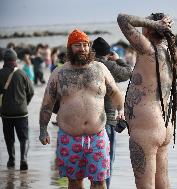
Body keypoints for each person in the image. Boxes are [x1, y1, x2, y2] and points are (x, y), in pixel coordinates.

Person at [38, 29, 125, 189]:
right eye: (78, 45)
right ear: (70, 48)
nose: (83, 48)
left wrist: (120, 110)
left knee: (99, 182)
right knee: (74, 182)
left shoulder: (100, 68)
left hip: (98, 137)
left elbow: (115, 92)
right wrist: (43, 129)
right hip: (69, 138)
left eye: (86, 45)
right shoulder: (59, 73)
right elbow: (47, 104)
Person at [117, 13, 177, 188]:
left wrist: (154, 24)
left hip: (147, 128)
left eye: (146, 25)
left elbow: (122, 19)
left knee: (145, 185)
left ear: (151, 28)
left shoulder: (147, 49)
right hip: (164, 125)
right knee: (162, 180)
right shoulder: (168, 52)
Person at [92, 36, 132, 188]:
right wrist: (119, 59)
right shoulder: (109, 66)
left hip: (86, 120)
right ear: (108, 54)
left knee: (90, 160)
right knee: (106, 160)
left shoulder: (86, 65)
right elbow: (130, 72)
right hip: (107, 121)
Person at [0, 49, 34, 170]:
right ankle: (23, 159)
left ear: (5, 60)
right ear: (15, 60)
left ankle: (11, 160)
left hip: (6, 113)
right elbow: (31, 91)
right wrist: (25, 103)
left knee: (9, 138)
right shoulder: (22, 73)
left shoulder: (0, 73)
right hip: (22, 112)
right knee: (24, 138)